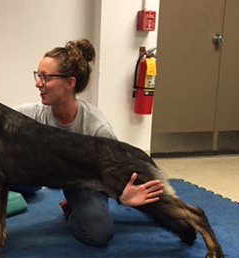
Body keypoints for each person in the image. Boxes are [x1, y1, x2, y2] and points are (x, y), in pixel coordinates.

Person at [14, 39, 164, 247]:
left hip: (85, 182)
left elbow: (115, 173)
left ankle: (71, 210)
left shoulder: (97, 127)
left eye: (46, 77)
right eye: (38, 75)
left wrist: (121, 196)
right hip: (41, 175)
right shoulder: (29, 114)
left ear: (70, 83)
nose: (38, 83)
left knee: (99, 235)